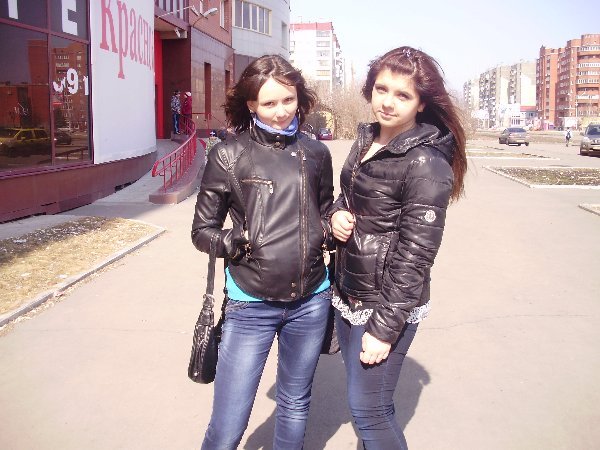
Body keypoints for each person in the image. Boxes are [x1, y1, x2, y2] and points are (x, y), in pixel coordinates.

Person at [191, 54, 334, 450]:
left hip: (311, 300)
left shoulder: (316, 153)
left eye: (288, 100)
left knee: (294, 404)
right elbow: (202, 232)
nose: (281, 111)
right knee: (228, 424)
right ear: (252, 104)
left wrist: (330, 228)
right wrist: (237, 241)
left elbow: (325, 209)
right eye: (269, 103)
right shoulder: (228, 155)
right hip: (250, 304)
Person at [328, 46, 468, 450]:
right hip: (350, 290)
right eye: (381, 89)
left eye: (402, 95)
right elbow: (349, 197)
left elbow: (416, 255)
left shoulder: (426, 162)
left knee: (367, 412)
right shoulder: (367, 139)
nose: (388, 102)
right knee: (374, 405)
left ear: (421, 103)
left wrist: (384, 329)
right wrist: (337, 214)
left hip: (385, 302)